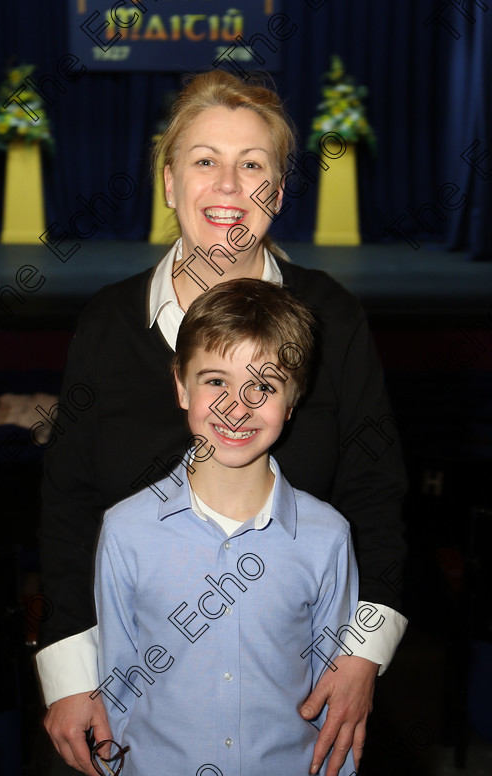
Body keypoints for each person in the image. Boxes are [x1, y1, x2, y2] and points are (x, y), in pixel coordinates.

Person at [37, 69, 408, 776]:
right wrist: (70, 676)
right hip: (135, 709)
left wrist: (363, 655)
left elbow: (375, 494)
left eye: (253, 166)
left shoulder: (334, 318)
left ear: (278, 188)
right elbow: (68, 504)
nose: (230, 187)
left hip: (289, 709)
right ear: (169, 182)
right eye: (205, 161)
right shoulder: (109, 324)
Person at [93, 277, 359, 776]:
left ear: (293, 397)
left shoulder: (327, 536)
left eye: (263, 386)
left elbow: (335, 695)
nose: (237, 407)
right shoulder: (126, 530)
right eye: (216, 381)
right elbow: (117, 685)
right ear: (180, 385)